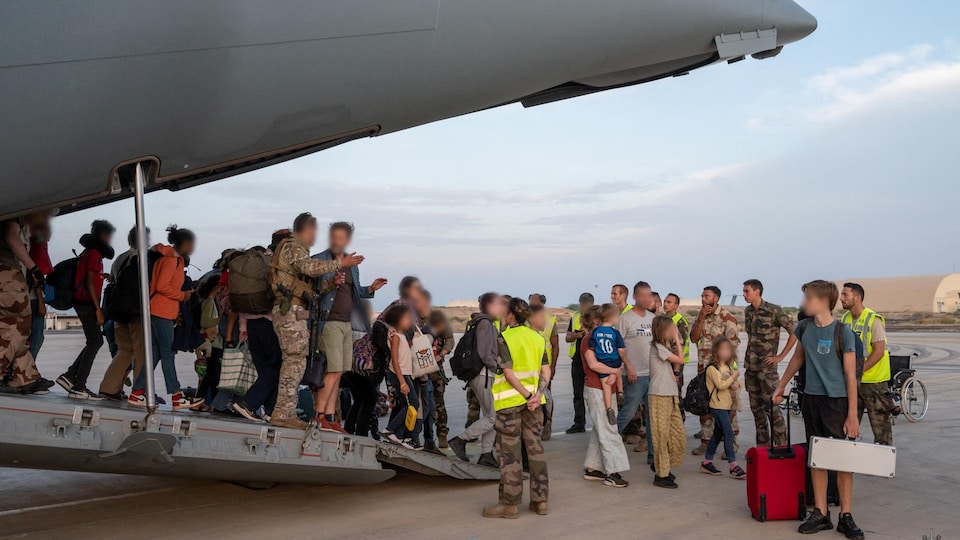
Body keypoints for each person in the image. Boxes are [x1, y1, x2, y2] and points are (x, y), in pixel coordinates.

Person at [774, 280, 864, 540]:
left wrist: (852, 414)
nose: (804, 303)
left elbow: (850, 376)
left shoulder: (843, 333)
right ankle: (820, 513)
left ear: (823, 301)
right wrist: (780, 386)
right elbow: (798, 358)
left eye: (808, 298)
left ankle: (845, 516)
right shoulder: (804, 328)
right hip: (811, 400)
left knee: (843, 460)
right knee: (818, 457)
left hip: (836, 402)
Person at [269, 213, 359, 430]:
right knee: (294, 361)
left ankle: (285, 411)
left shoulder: (299, 251)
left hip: (297, 310)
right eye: (313, 231)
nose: (315, 236)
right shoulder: (292, 246)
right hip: (290, 311)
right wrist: (339, 264)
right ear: (306, 230)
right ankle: (283, 413)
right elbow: (307, 268)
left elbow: (311, 287)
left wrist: (330, 285)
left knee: (297, 361)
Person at [311, 222, 386, 434]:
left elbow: (354, 293)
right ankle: (319, 416)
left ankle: (331, 418)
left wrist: (370, 288)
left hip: (346, 323)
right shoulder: (319, 260)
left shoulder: (352, 265)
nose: (337, 241)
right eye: (334, 237)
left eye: (341, 237)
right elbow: (315, 289)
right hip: (328, 321)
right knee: (333, 369)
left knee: (340, 370)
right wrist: (339, 265)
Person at [483, 298, 550, 519]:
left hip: (511, 404)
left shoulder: (505, 337)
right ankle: (540, 501)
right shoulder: (537, 338)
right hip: (534, 405)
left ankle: (509, 505)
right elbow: (546, 371)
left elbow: (509, 374)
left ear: (511, 315)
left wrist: (527, 395)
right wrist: (537, 395)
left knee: (510, 455)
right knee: (535, 451)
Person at [126, 226, 204, 409]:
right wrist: (182, 295)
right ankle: (176, 396)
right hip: (162, 311)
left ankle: (137, 393)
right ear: (185, 243)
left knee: (154, 354)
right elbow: (162, 286)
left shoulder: (166, 257)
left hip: (156, 310)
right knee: (168, 353)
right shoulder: (173, 261)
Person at [449, 292, 510, 469]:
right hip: (484, 375)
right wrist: (497, 368)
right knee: (494, 417)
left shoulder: (484, 322)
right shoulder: (485, 324)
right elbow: (485, 352)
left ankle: (486, 454)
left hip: (484, 375)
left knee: (490, 415)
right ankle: (461, 440)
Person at [57, 219, 115, 399]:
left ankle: (70, 377)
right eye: (109, 236)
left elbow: (90, 276)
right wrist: (98, 309)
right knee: (95, 342)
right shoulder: (95, 254)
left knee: (94, 341)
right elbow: (89, 282)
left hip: (82, 301)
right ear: (103, 235)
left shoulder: (88, 253)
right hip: (86, 303)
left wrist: (101, 275)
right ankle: (78, 384)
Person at [0, 212, 51, 395]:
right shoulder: (14, 214)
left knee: (14, 328)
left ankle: (26, 377)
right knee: (19, 325)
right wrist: (34, 268)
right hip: (7, 274)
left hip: (6, 276)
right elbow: (11, 238)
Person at [97, 226, 151, 400]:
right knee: (142, 352)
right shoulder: (145, 258)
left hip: (119, 311)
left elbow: (114, 281)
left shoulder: (119, 259)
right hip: (138, 311)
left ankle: (109, 388)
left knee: (124, 351)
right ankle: (140, 391)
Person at [742, 279, 797, 447]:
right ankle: (763, 449)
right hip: (750, 368)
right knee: (757, 411)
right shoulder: (748, 311)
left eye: (747, 291)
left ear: (757, 291)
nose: (744, 294)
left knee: (772, 410)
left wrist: (780, 356)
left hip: (767, 370)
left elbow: (794, 333)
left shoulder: (774, 310)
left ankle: (781, 447)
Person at [579, 306, 630, 487]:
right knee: (610, 430)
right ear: (596, 321)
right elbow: (593, 364)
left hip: (607, 388)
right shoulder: (588, 340)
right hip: (596, 389)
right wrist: (614, 371)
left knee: (600, 429)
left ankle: (593, 467)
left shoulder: (603, 337)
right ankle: (613, 472)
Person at [840, 282, 893, 446]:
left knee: (881, 428)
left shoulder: (873, 319)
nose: (841, 298)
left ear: (857, 298)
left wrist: (858, 370)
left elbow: (878, 351)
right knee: (847, 425)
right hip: (853, 382)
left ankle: (884, 465)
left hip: (874, 383)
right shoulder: (845, 319)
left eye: (845, 295)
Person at [690, 285, 740, 455]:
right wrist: (700, 317)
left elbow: (732, 346)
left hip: (722, 370)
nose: (703, 299)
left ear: (716, 298)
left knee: (727, 406)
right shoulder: (701, 316)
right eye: (702, 295)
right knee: (704, 404)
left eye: (707, 296)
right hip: (704, 369)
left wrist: (728, 373)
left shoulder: (727, 318)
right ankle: (705, 441)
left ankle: (730, 443)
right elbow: (693, 338)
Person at [617, 282, 655, 463]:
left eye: (649, 295)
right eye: (643, 295)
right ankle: (608, 443)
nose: (647, 299)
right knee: (629, 412)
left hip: (652, 375)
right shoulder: (625, 319)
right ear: (635, 297)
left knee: (652, 416)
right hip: (634, 375)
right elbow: (619, 346)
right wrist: (628, 365)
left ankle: (653, 455)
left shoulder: (652, 318)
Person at [700, 337, 746, 480]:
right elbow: (720, 385)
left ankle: (707, 462)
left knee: (717, 435)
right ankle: (733, 465)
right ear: (716, 351)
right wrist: (733, 378)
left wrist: (737, 382)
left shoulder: (729, 366)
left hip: (727, 405)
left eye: (728, 349)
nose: (726, 352)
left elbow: (734, 381)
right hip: (717, 406)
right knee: (729, 433)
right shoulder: (712, 369)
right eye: (722, 349)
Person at [648, 315, 686, 488]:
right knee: (661, 435)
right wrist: (678, 340)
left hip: (670, 394)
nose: (674, 331)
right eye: (671, 328)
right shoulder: (658, 347)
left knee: (676, 434)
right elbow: (680, 359)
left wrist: (676, 374)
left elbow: (677, 365)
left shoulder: (664, 347)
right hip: (659, 394)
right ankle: (661, 474)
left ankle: (663, 466)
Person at [380, 304, 421, 448]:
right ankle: (390, 430)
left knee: (407, 405)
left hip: (404, 374)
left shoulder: (401, 335)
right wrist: (402, 382)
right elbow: (395, 360)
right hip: (399, 375)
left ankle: (400, 436)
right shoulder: (396, 337)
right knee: (413, 404)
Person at [528, 293, 558, 439]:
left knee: (547, 398)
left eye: (534, 300)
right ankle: (535, 425)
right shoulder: (525, 319)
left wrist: (553, 367)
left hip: (545, 364)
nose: (531, 302)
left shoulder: (550, 320)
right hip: (530, 365)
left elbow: (555, 345)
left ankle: (548, 423)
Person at [589, 304, 625, 425]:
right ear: (612, 317)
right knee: (618, 374)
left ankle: (609, 408)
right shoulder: (615, 333)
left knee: (606, 387)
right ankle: (620, 392)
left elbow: (592, 346)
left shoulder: (595, 332)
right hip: (614, 360)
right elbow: (620, 350)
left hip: (602, 361)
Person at [564, 292, 594, 434]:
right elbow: (568, 337)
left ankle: (597, 421)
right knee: (578, 393)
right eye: (581, 303)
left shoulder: (597, 317)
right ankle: (579, 423)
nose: (582, 306)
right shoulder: (575, 317)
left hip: (592, 360)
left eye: (585, 304)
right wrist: (575, 335)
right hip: (577, 360)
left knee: (593, 393)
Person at [426, 309, 454, 448]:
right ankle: (427, 437)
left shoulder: (438, 319)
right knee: (423, 405)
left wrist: (441, 354)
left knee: (439, 404)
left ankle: (442, 434)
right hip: (420, 369)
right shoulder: (415, 320)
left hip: (436, 369)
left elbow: (450, 339)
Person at [27, 219, 53, 362]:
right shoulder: (37, 244)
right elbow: (34, 273)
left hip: (31, 295)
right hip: (33, 297)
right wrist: (41, 301)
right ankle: (28, 372)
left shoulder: (33, 241)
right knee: (36, 338)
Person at [663, 293, 690, 391]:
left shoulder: (679, 322)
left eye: (669, 302)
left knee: (675, 390)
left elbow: (679, 346)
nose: (665, 304)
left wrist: (676, 371)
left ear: (676, 306)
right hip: (665, 360)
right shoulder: (663, 319)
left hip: (676, 362)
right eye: (665, 301)